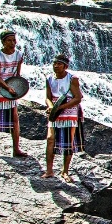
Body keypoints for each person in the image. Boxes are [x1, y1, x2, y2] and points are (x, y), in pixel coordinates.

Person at [0, 29, 28, 158]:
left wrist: (18, 88)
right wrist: (7, 87)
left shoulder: (19, 55)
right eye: (9, 40)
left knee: (15, 120)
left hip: (10, 89)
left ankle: (16, 149)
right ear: (3, 42)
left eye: (14, 40)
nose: (12, 43)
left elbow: (18, 74)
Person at [42, 54, 83, 183]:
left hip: (69, 111)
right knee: (50, 139)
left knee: (68, 142)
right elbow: (48, 97)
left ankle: (65, 171)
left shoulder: (72, 79)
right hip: (55, 111)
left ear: (65, 66)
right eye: (54, 63)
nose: (56, 66)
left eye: (59, 64)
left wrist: (61, 107)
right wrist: (51, 106)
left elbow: (78, 98)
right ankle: (49, 170)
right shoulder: (49, 78)